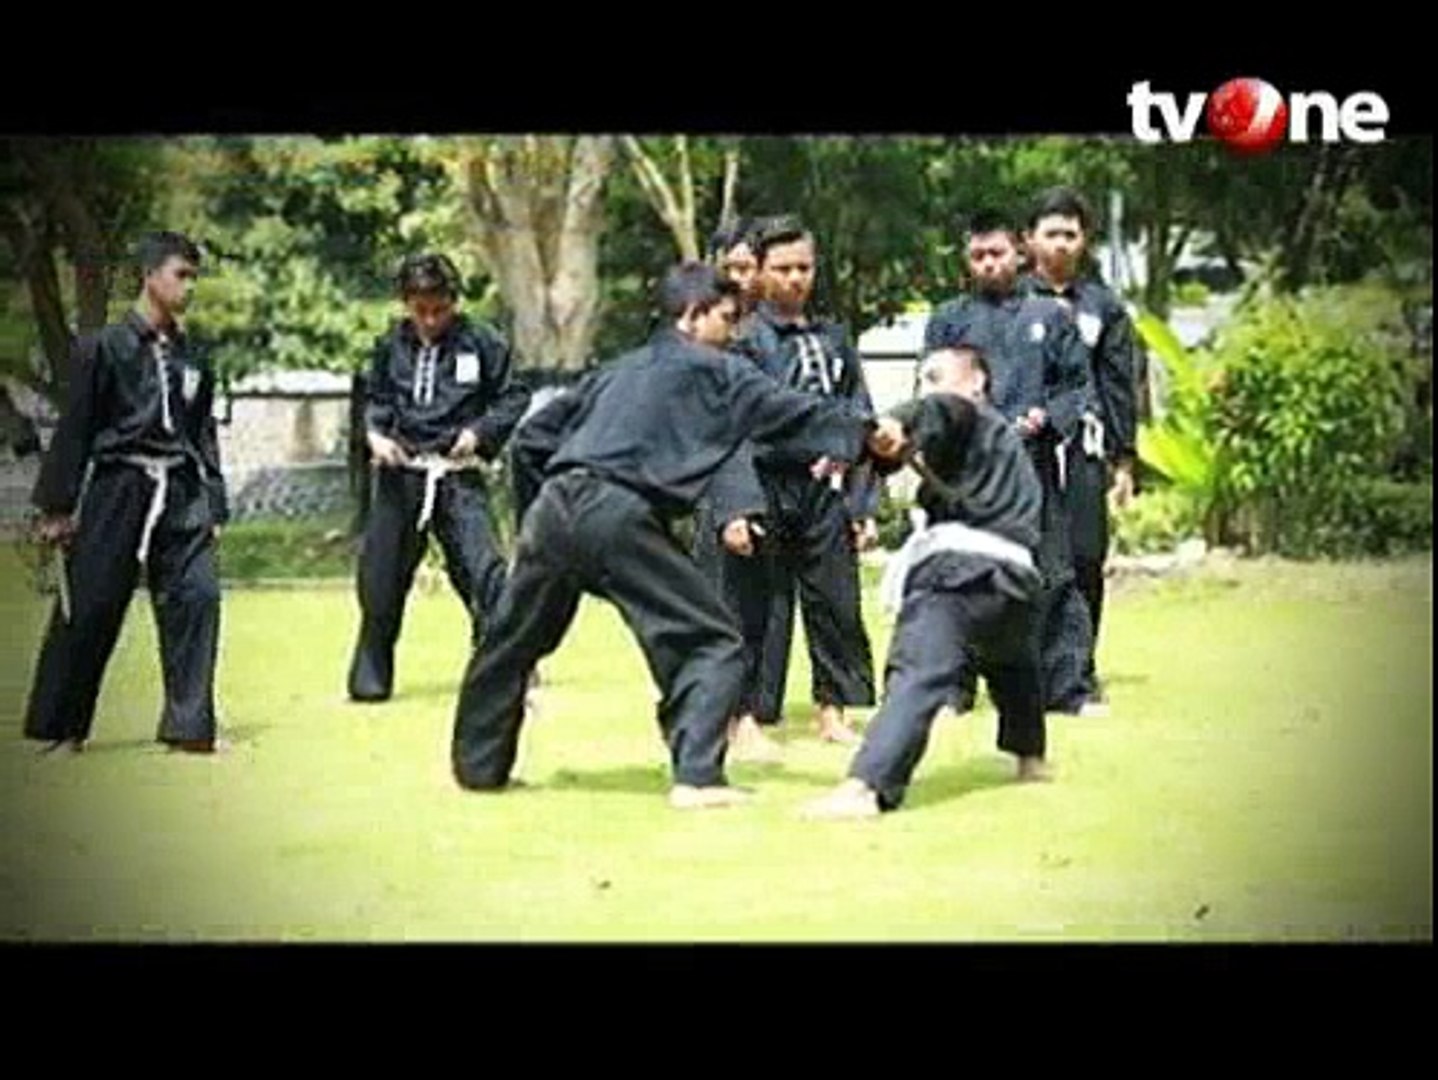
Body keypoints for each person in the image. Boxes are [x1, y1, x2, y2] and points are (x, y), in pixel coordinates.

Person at [450, 262, 890, 809]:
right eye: (727, 319)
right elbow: (790, 412)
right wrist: (868, 436)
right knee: (712, 641)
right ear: (692, 315)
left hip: (555, 509)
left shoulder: (617, 370)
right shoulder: (718, 369)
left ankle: (478, 769)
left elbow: (534, 438)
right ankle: (697, 778)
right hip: (618, 513)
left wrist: (542, 511)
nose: (733, 332)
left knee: (512, 642)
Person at [803, 346, 1050, 820]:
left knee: (916, 672)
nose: (928, 388)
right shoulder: (999, 445)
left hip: (960, 573)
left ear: (976, 382)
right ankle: (1030, 758)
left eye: (936, 376)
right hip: (1016, 581)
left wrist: (898, 422)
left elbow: (938, 411)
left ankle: (865, 786)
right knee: (1013, 664)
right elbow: (914, 439)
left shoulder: (964, 414)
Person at [23, 231, 228, 754]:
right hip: (119, 484)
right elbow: (76, 429)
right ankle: (58, 726)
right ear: (149, 275)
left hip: (181, 488)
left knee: (197, 596)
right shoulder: (103, 349)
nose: (189, 287)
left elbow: (203, 432)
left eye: (193, 277)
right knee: (90, 604)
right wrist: (57, 507)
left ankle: (190, 728)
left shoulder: (195, 356)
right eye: (181, 274)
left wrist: (215, 503)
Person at [717, 216, 879, 750]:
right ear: (759, 272)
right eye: (783, 269)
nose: (795, 279)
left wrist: (862, 500)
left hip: (824, 487)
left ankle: (833, 709)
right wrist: (734, 508)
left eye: (804, 268)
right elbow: (732, 429)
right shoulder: (743, 343)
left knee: (833, 601)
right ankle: (741, 717)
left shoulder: (833, 337)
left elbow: (859, 412)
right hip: (765, 482)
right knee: (752, 606)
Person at [925, 208, 1096, 715]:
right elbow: (933, 385)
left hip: (1032, 468)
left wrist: (1047, 418)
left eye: (996, 253)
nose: (988, 264)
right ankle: (953, 690)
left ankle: (1066, 690)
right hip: (966, 471)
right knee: (959, 575)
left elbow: (1075, 387)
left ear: (1018, 254)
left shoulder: (1050, 316)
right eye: (977, 256)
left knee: (1053, 574)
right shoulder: (949, 319)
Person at [347, 253, 530, 703]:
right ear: (407, 304)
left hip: (456, 473)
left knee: (483, 570)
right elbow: (374, 399)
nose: (430, 319)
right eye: (420, 309)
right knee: (380, 578)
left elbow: (512, 397)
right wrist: (376, 436)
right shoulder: (390, 346)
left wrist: (478, 433)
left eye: (439, 309)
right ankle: (370, 679)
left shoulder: (482, 343)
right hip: (401, 473)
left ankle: (504, 666)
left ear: (453, 302)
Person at [1020, 187, 1141, 710]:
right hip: (1022, 451)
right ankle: (1018, 674)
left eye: (1071, 234)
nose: (1062, 243)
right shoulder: (1012, 300)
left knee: (1086, 557)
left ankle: (1077, 673)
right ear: (1028, 240)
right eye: (1052, 233)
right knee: (1022, 562)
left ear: (1085, 240)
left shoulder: (1103, 306)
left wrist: (1124, 458)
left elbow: (1119, 383)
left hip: (1084, 447)